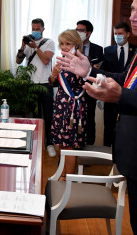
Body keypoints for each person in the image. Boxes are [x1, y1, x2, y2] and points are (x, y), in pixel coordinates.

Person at [57, 0, 137, 234]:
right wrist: (89, 72)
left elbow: (125, 89)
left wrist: (121, 95)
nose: (133, 16)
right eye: (133, 9)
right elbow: (125, 78)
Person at [49, 30, 87, 179]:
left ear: (76, 44)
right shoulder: (62, 60)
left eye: (68, 43)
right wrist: (53, 73)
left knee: (70, 143)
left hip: (73, 105)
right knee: (61, 141)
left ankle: (68, 177)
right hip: (61, 103)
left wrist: (79, 75)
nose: (64, 47)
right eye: (62, 44)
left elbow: (83, 83)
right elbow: (52, 83)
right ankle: (63, 172)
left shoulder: (80, 60)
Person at [16, 18, 56, 157]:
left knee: (48, 115)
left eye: (37, 29)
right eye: (33, 28)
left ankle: (49, 144)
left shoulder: (49, 42)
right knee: (33, 115)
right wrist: (22, 46)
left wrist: (36, 47)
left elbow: (46, 60)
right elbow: (18, 60)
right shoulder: (28, 43)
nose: (35, 31)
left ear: (43, 29)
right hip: (31, 84)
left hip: (45, 83)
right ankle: (35, 143)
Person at [101, 22, 136, 146]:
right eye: (115, 34)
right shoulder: (107, 50)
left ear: (128, 34)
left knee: (125, 127)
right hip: (110, 95)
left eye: (120, 34)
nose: (117, 36)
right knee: (109, 126)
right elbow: (105, 71)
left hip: (128, 95)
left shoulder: (135, 50)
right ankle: (107, 156)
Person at [76, 20, 104, 145]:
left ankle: (89, 147)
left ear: (89, 33)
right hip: (75, 89)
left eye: (81, 30)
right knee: (76, 118)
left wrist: (97, 68)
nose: (78, 32)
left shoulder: (98, 49)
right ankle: (76, 144)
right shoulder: (73, 48)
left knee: (90, 118)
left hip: (91, 88)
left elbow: (102, 70)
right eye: (77, 30)